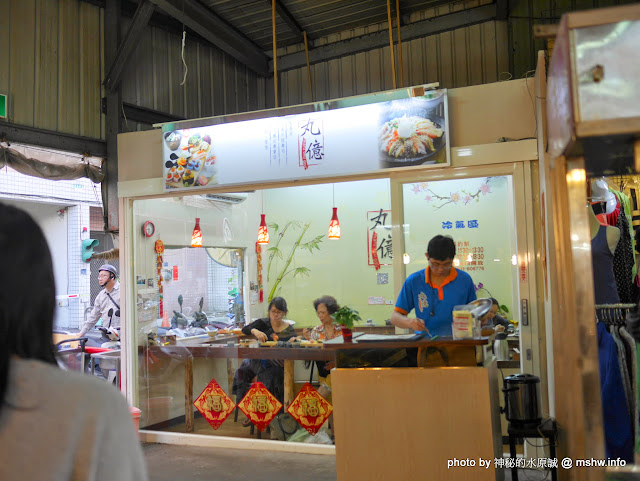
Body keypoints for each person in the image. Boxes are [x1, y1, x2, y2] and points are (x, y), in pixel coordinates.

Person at [0, 203, 148, 481]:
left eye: (102, 274)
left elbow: (132, 315)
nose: (99, 276)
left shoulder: (124, 292)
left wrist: (121, 333)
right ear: (42, 293)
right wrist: (79, 334)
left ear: (112, 277)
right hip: (107, 341)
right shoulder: (91, 406)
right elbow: (92, 318)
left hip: (122, 338)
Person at [391, 235, 476, 337]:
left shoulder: (464, 280)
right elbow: (395, 317)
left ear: (453, 258)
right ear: (427, 256)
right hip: (426, 344)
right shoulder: (414, 281)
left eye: (446, 264)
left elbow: (475, 313)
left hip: (460, 343)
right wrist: (410, 322)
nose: (441, 269)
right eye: (435, 264)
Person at [232, 297, 296, 426]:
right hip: (258, 361)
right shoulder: (263, 323)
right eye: (273, 311)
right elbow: (245, 329)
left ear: (284, 313)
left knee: (266, 375)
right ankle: (249, 408)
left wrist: (291, 342)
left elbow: (293, 349)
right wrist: (255, 331)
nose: (276, 315)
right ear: (269, 312)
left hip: (276, 364)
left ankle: (260, 412)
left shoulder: (289, 330)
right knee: (241, 373)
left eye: (279, 312)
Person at [303, 296, 342, 389]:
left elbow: (349, 353)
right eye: (318, 313)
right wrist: (308, 340)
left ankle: (318, 399)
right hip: (323, 371)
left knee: (330, 383)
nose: (320, 315)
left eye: (323, 312)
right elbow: (311, 353)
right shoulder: (316, 331)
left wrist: (336, 362)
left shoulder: (343, 329)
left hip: (340, 370)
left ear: (332, 312)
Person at [78, 263, 121, 338]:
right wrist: (81, 334)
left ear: (112, 277)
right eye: (99, 276)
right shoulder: (101, 295)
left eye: (104, 276)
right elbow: (93, 316)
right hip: (107, 335)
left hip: (122, 335)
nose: (100, 278)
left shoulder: (123, 290)